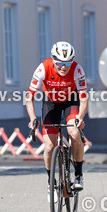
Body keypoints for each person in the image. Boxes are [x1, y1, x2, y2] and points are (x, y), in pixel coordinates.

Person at [24, 41, 88, 191]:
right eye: (59, 63)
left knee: (74, 132)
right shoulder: (43, 68)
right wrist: (33, 118)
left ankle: (78, 174)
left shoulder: (77, 69)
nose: (64, 67)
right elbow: (29, 97)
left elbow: (84, 98)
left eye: (67, 63)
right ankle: (50, 180)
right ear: (53, 59)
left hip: (70, 101)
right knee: (49, 146)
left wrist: (80, 117)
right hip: (50, 102)